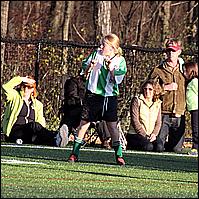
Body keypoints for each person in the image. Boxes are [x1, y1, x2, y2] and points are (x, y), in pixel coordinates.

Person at [67, 33, 127, 165]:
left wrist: (111, 69)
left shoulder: (120, 60)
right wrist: (90, 67)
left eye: (104, 45)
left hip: (109, 97)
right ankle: (74, 153)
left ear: (112, 48)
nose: (100, 46)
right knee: (84, 123)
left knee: (112, 126)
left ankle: (119, 155)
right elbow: (84, 70)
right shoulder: (96, 54)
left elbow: (117, 79)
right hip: (93, 95)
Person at [1, 75, 69, 147]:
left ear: (33, 89)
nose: (26, 89)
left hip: (30, 133)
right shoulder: (14, 97)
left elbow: (40, 122)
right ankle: (56, 135)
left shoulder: (38, 104)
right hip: (15, 131)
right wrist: (22, 79)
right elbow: (6, 87)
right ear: (21, 86)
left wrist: (42, 133)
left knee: (38, 136)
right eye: (24, 86)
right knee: (34, 125)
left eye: (30, 87)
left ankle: (57, 141)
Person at [147, 37, 186, 153]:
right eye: (168, 51)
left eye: (173, 51)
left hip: (179, 113)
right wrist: (165, 88)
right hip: (163, 113)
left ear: (179, 52)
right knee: (158, 147)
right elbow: (148, 89)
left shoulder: (185, 70)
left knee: (176, 149)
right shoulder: (158, 70)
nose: (170, 53)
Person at [126, 79, 162, 151]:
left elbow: (158, 123)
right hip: (136, 134)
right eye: (145, 89)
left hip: (151, 134)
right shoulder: (137, 100)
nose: (147, 91)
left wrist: (154, 134)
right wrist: (144, 134)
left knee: (159, 147)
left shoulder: (158, 103)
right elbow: (135, 121)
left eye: (150, 89)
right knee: (148, 147)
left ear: (155, 91)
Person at [183, 61, 198, 156]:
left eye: (185, 71)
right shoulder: (190, 82)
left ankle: (196, 148)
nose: (184, 73)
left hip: (197, 109)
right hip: (193, 109)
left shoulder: (194, 82)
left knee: (196, 129)